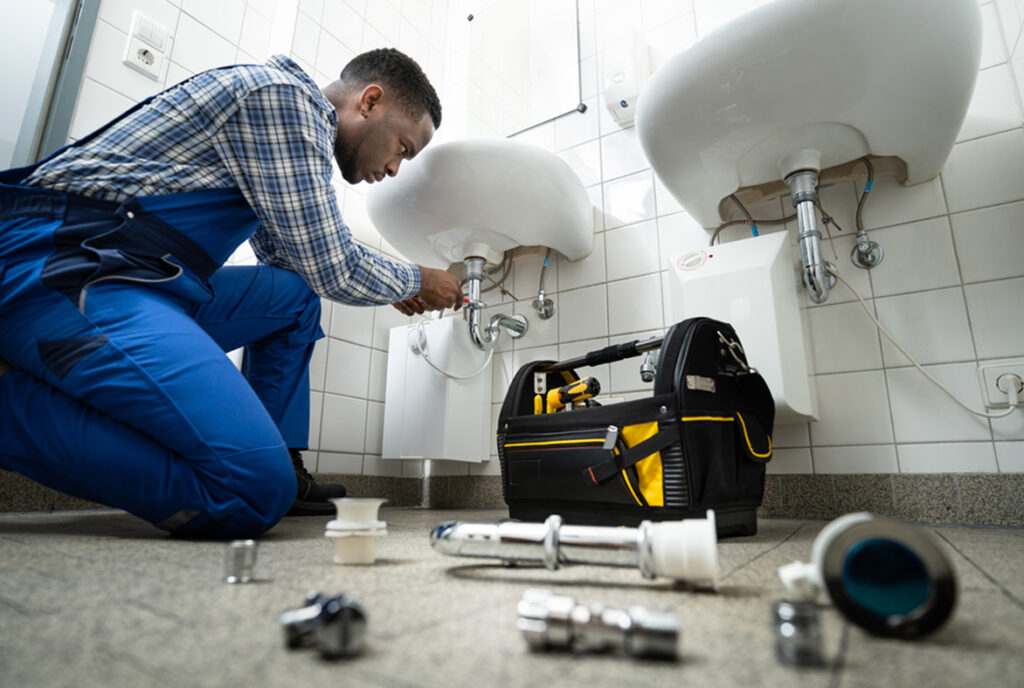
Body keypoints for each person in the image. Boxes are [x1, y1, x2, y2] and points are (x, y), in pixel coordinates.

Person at [0, 48, 462, 538]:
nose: (394, 168)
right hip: (63, 267)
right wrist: (415, 279)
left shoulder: (285, 126)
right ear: (369, 102)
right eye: (402, 148)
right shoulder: (285, 102)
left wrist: (376, 282)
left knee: (294, 298)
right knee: (253, 491)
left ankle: (280, 460)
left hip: (147, 278)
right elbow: (332, 264)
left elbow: (296, 264)